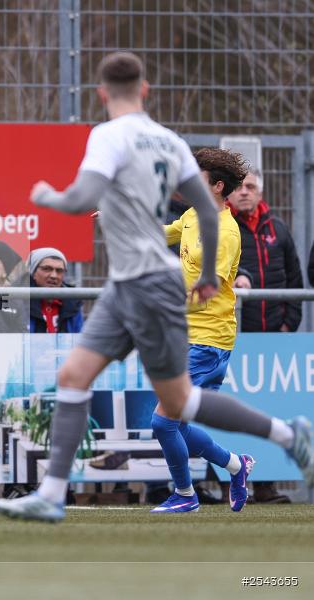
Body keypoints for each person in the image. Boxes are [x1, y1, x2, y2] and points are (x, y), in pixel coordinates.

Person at [0, 52, 313, 523]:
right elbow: (201, 210)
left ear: (102, 94)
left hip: (151, 291)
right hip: (130, 286)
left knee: (174, 408)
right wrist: (199, 273)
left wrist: (46, 197)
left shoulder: (109, 135)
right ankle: (52, 495)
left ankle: (285, 436)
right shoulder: (170, 143)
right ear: (144, 91)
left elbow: (80, 196)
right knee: (78, 379)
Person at [152, 147, 253, 512]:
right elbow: (168, 233)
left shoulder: (226, 233)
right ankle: (236, 466)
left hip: (208, 341)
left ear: (217, 186)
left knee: (163, 423)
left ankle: (184, 495)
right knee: (175, 425)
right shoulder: (195, 213)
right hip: (185, 336)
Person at [227, 167, 304, 504]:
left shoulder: (279, 230)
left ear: (259, 191)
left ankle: (266, 485)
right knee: (228, 409)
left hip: (273, 335)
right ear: (227, 192)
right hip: (230, 335)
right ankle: (228, 482)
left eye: (251, 186)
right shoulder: (219, 227)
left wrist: (289, 322)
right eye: (240, 187)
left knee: (271, 411)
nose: (245, 192)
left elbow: (294, 279)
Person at [27, 247, 83, 334]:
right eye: (46, 269)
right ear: (33, 272)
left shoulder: (72, 303)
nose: (54, 275)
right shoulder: (18, 300)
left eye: (59, 271)